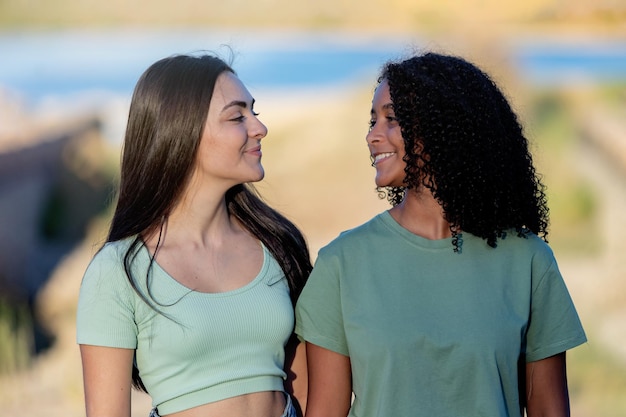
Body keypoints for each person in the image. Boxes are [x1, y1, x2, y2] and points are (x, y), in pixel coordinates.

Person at [295, 51, 587, 417]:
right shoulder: (342, 263)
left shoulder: (528, 261)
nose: (372, 136)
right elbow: (324, 411)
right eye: (372, 121)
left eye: (391, 119)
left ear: (445, 126)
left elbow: (549, 407)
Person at [76, 53, 312, 417]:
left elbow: (307, 387)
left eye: (254, 111)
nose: (259, 128)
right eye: (237, 117)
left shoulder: (278, 244)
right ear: (182, 132)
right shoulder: (117, 272)